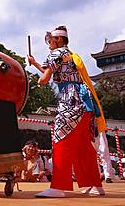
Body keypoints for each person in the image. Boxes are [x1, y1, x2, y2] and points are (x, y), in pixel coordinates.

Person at [28, 25, 104, 197]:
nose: (49, 45)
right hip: (85, 103)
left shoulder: (56, 53)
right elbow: (52, 72)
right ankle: (95, 185)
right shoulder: (69, 55)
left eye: (50, 41)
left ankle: (58, 186)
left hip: (70, 101)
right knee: (82, 146)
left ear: (59, 40)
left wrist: (38, 82)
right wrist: (34, 64)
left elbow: (46, 78)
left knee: (60, 139)